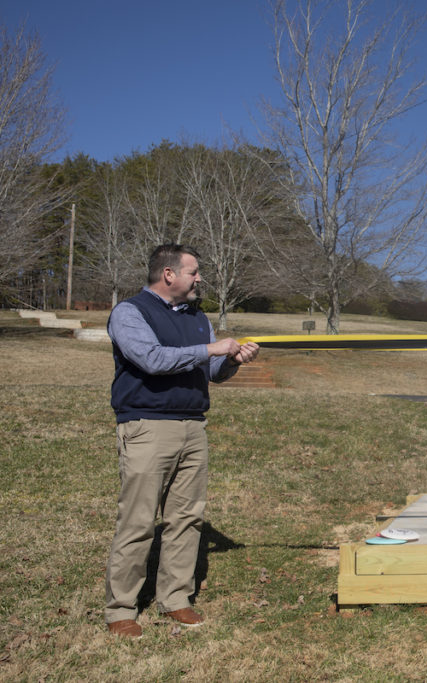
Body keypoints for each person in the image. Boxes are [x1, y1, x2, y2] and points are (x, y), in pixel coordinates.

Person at [104, 244, 260, 638]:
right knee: (138, 521)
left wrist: (231, 361)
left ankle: (175, 598)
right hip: (146, 427)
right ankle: (121, 608)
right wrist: (211, 348)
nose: (199, 278)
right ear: (169, 274)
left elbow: (212, 372)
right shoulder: (130, 312)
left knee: (187, 519)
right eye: (193, 271)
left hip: (193, 427)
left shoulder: (197, 318)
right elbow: (151, 360)